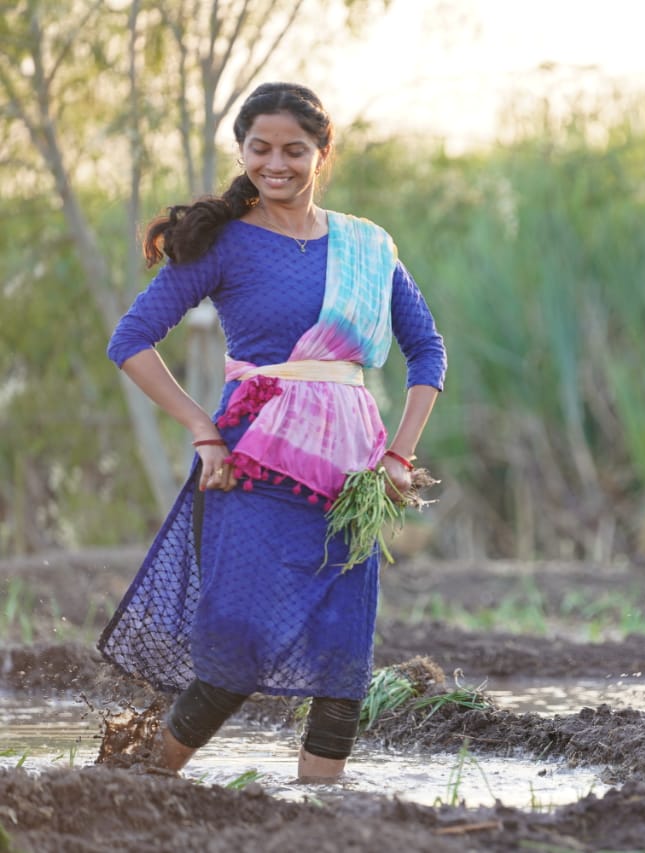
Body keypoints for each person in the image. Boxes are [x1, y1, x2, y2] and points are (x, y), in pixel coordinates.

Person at [100, 82, 447, 781]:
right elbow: (131, 339)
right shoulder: (225, 244)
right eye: (260, 148)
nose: (276, 163)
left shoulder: (367, 247)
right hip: (250, 466)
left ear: (323, 153)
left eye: (294, 149)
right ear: (243, 151)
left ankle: (323, 821)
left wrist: (399, 454)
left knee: (342, 660)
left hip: (350, 479)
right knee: (238, 648)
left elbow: (428, 350)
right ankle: (141, 785)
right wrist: (202, 428)